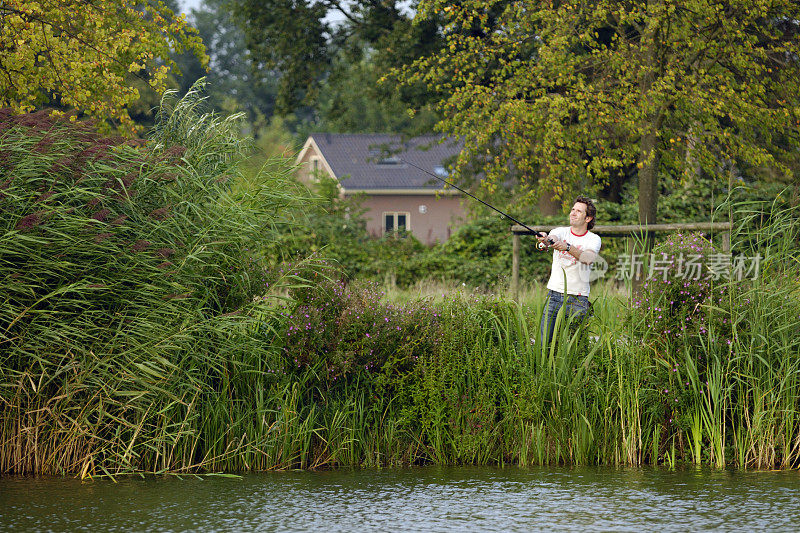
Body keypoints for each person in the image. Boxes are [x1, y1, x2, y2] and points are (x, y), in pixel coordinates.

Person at [536, 196, 602, 345]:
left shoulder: (593, 239)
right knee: (543, 344)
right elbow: (551, 237)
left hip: (578, 300)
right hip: (553, 296)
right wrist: (545, 239)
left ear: (588, 218)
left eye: (579, 211)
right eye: (573, 209)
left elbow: (588, 258)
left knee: (575, 349)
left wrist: (567, 247)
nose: (573, 213)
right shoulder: (560, 231)